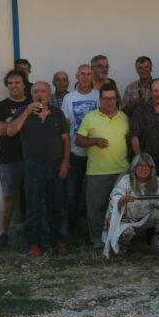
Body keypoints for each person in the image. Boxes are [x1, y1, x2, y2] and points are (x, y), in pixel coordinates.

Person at [6, 82, 70, 256]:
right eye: (36, 92)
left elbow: (65, 140)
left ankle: (57, 240)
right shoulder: (23, 112)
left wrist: (65, 163)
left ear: (49, 94)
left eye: (43, 91)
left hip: (55, 165)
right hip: (33, 166)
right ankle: (34, 243)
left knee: (55, 205)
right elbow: (11, 131)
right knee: (34, 206)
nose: (39, 94)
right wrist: (26, 112)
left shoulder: (57, 114)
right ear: (31, 94)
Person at [75, 83, 130, 249]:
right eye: (105, 99)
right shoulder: (90, 117)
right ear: (100, 100)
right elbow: (78, 140)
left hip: (121, 171)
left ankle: (118, 239)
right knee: (97, 208)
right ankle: (98, 240)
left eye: (112, 98)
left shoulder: (124, 117)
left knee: (122, 208)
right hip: (97, 172)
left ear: (117, 99)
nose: (109, 102)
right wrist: (95, 141)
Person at [101, 153, 159, 258]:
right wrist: (123, 199)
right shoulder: (126, 180)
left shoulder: (155, 180)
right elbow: (113, 199)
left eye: (147, 166)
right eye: (140, 166)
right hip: (124, 221)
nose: (143, 169)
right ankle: (120, 246)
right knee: (123, 242)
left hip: (144, 218)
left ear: (151, 169)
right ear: (134, 168)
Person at [0, 70, 31, 248]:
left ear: (24, 84)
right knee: (8, 197)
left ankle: (33, 234)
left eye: (17, 82)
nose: (14, 86)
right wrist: (20, 120)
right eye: (10, 83)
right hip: (10, 159)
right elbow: (2, 131)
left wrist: (11, 121)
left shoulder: (33, 104)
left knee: (34, 197)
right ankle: (3, 233)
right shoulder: (0, 107)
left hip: (32, 158)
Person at [60, 64, 100, 234]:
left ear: (92, 77)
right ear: (76, 76)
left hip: (95, 153)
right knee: (72, 194)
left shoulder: (99, 96)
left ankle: (95, 229)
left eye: (88, 74)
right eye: (82, 74)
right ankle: (73, 230)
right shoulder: (69, 98)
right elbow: (66, 126)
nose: (85, 77)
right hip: (75, 153)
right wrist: (65, 155)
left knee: (94, 195)